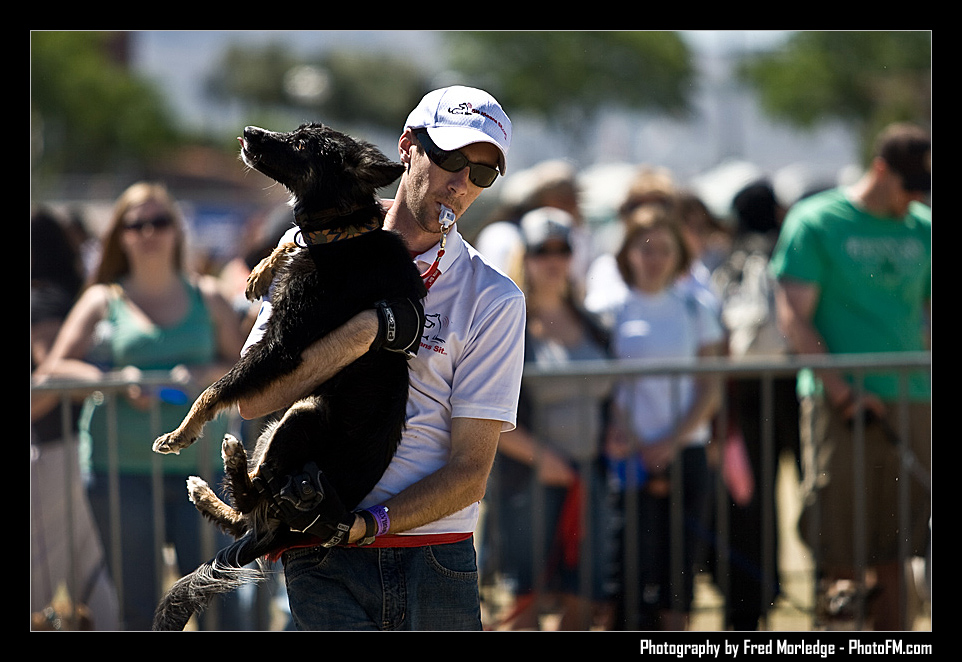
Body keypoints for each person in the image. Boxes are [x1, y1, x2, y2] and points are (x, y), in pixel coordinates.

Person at [236, 85, 527, 631]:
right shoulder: (310, 247)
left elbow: (470, 472)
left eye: (483, 173)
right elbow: (252, 400)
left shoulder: (494, 297)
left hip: (433, 555)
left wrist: (366, 526)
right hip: (322, 549)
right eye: (450, 160)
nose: (462, 183)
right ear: (408, 148)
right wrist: (362, 334)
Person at [35, 182, 247, 630]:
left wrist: (203, 373)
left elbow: (241, 365)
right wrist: (115, 381)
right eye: (136, 224)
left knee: (220, 606)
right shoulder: (102, 299)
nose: (149, 232)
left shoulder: (208, 296)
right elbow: (55, 368)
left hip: (203, 471)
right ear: (120, 235)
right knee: (140, 610)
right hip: (120, 472)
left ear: (177, 230)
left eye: (160, 221)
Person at [770, 122, 931, 630]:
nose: (916, 199)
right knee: (840, 545)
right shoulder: (818, 221)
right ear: (880, 170)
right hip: (837, 405)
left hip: (912, 399)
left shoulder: (924, 228)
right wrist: (841, 390)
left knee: (901, 545)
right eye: (909, 187)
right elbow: (793, 316)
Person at [600, 205, 725, 630]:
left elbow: (710, 388)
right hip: (629, 458)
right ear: (628, 253)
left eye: (665, 249)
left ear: (679, 255)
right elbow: (605, 387)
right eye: (646, 248)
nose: (655, 258)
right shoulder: (610, 309)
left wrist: (669, 442)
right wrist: (634, 439)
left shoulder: (696, 307)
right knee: (627, 573)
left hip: (686, 452)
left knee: (679, 576)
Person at [488, 207, 614, 630]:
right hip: (528, 480)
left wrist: (616, 432)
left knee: (581, 604)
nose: (553, 260)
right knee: (527, 605)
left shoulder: (594, 324)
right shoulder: (508, 324)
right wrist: (542, 457)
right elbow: (486, 411)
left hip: (588, 476)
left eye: (562, 250)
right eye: (543, 250)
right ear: (525, 257)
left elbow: (611, 398)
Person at [709, 179, 799, 630]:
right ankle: (833, 595)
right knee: (810, 491)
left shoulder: (732, 260)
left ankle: (747, 608)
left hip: (743, 389)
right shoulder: (787, 251)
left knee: (749, 502)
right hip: (793, 384)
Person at [31, 207, 120, 630]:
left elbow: (50, 370)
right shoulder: (68, 296)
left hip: (56, 451)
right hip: (75, 448)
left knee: (42, 575)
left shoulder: (45, 300)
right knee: (90, 569)